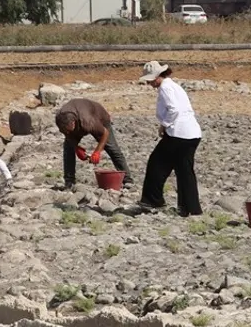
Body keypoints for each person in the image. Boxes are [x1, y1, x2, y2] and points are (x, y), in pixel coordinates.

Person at [137, 61, 202, 216]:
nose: (150, 83)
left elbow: (174, 109)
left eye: (151, 79)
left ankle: (152, 201)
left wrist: (164, 125)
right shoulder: (174, 86)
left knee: (156, 164)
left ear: (159, 75)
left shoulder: (165, 87)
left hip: (178, 134)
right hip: (191, 133)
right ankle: (190, 208)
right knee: (184, 171)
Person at [54, 98, 134, 191]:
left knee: (112, 148)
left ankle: (127, 180)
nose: (67, 133)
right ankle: (69, 181)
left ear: (73, 123)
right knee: (68, 148)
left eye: (68, 130)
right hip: (77, 117)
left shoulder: (87, 121)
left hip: (100, 117)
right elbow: (67, 134)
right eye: (64, 131)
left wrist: (97, 152)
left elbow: (105, 133)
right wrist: (76, 147)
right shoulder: (59, 119)